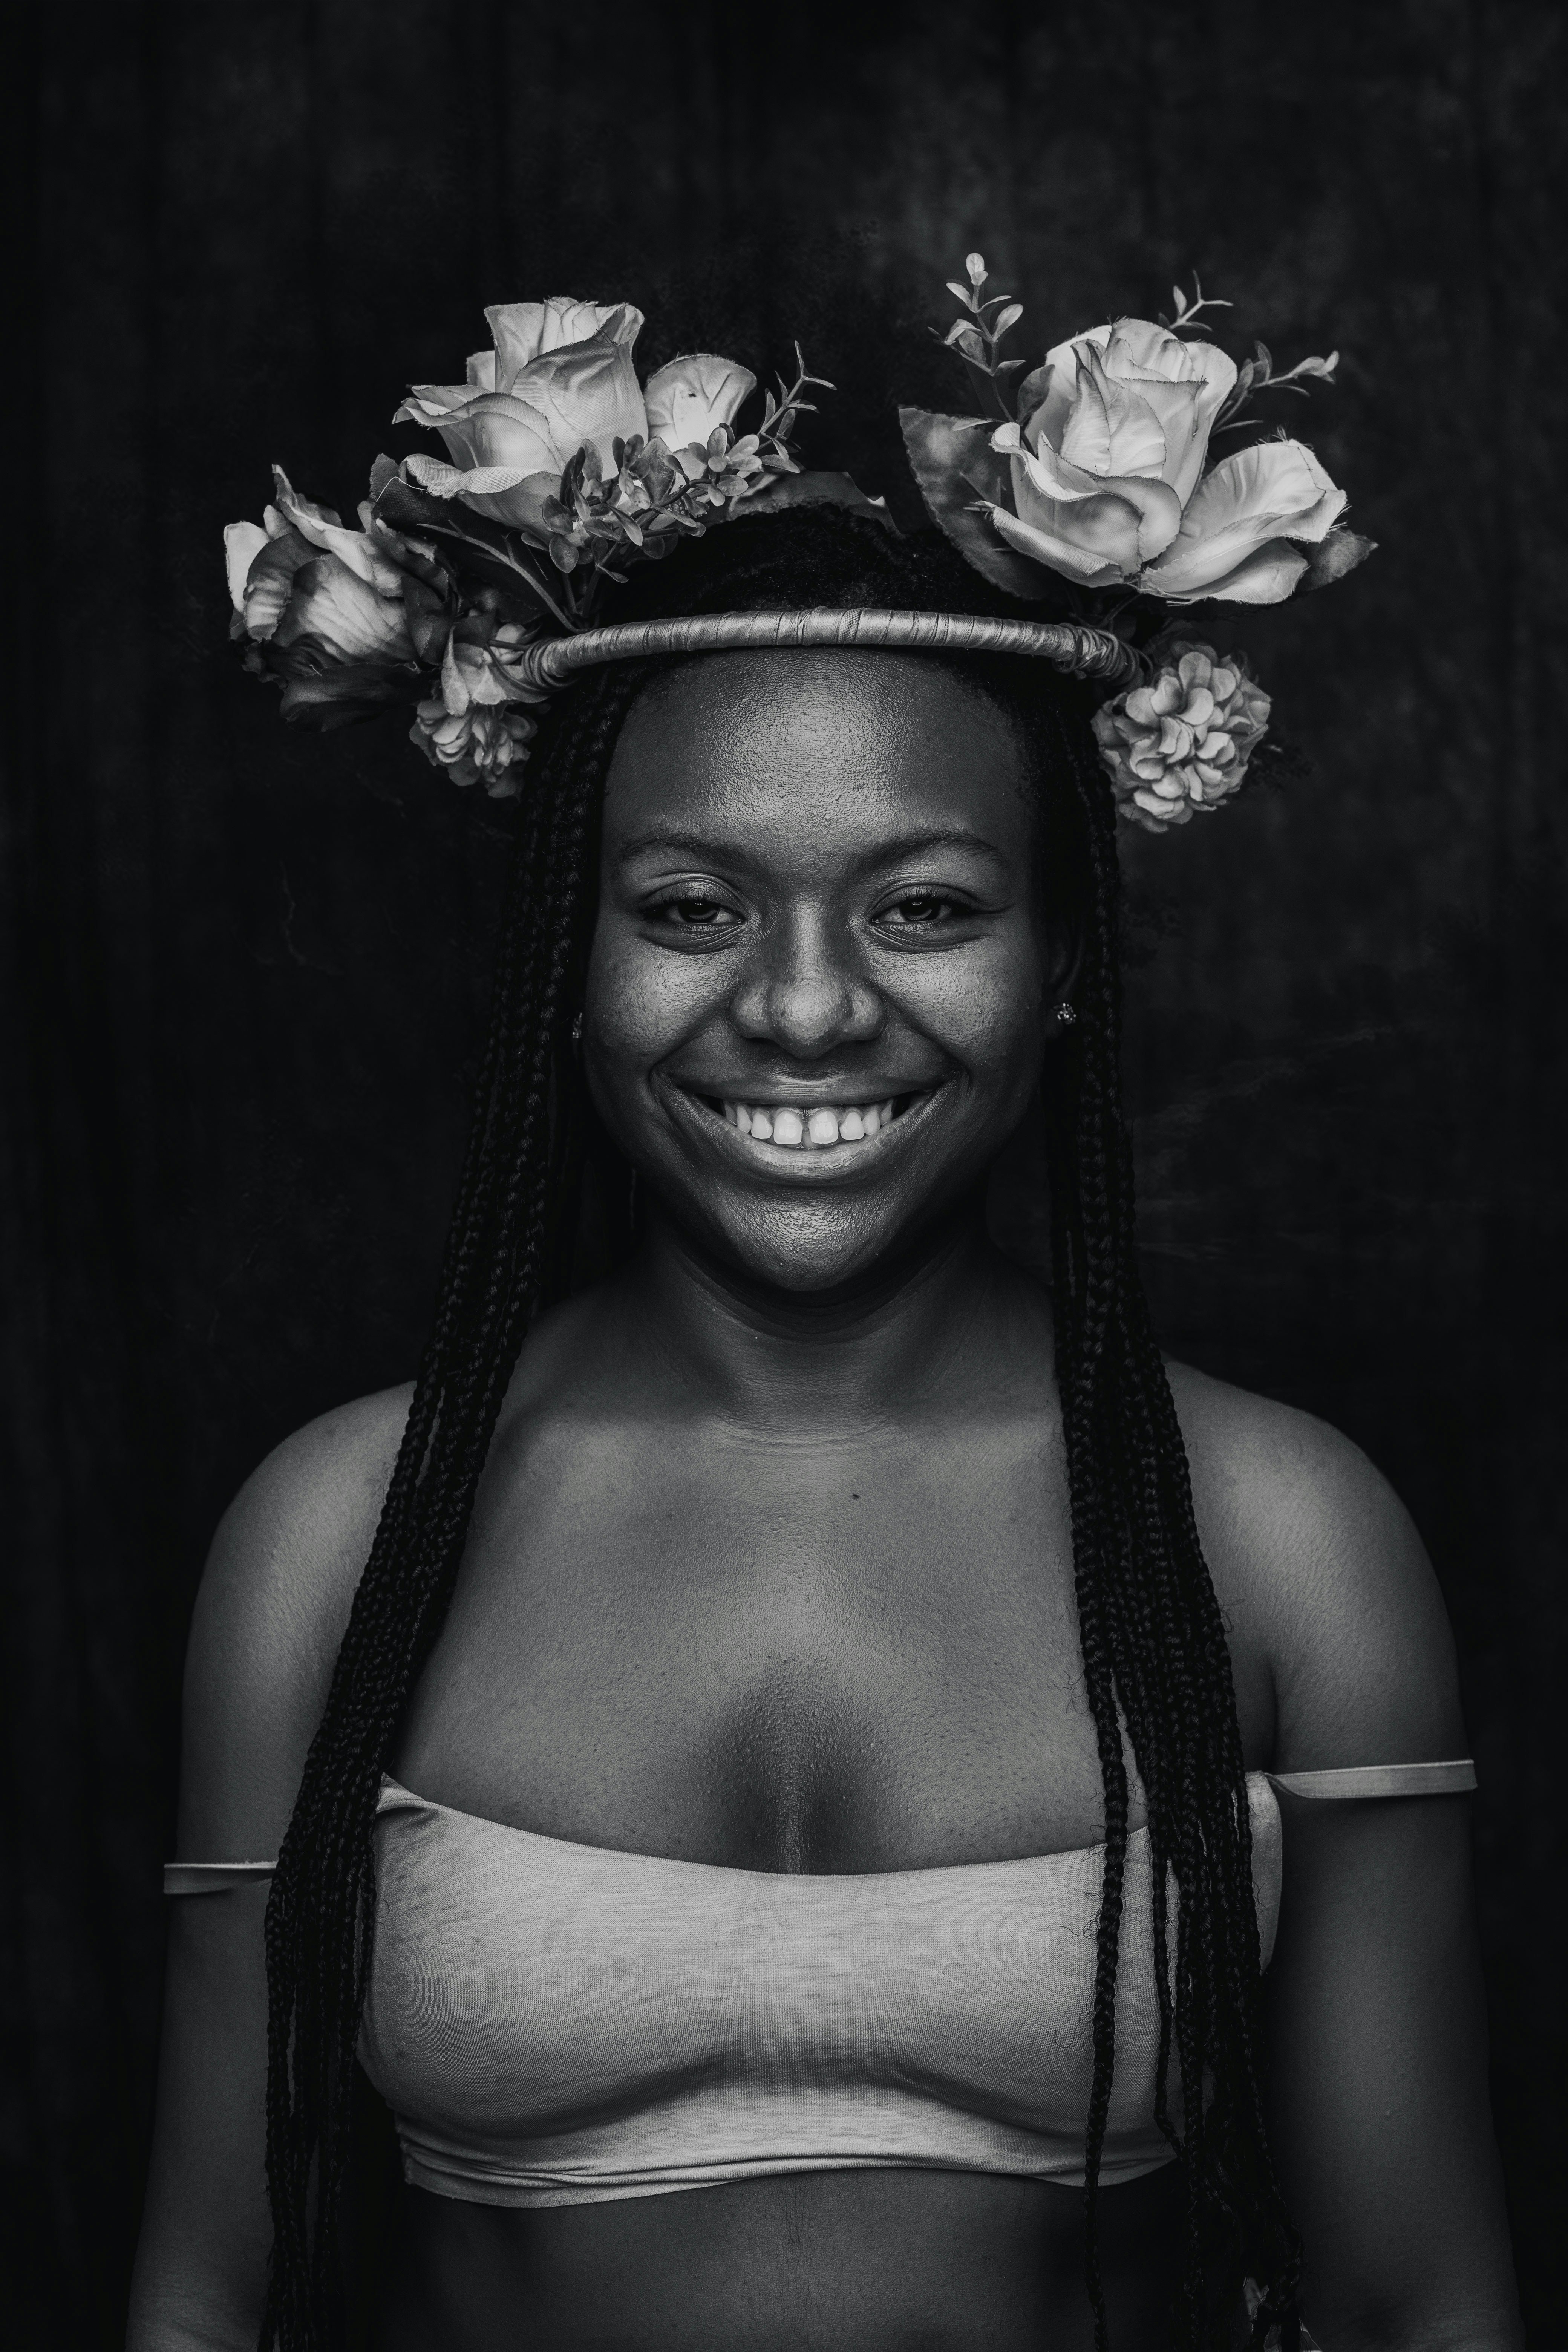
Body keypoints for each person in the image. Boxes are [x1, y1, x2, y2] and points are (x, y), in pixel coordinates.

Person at [129, 285, 1524, 2352]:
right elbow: (200, 2303)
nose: (801, 1005)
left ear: (1066, 960)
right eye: (692, 907)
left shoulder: (1279, 1536)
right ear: (571, 957)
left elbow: (1420, 2305)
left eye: (924, 906)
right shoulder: (338, 1536)